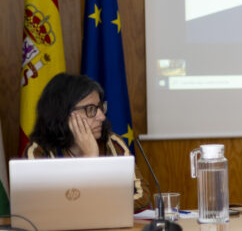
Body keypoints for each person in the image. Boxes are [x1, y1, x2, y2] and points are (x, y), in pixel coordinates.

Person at [22, 73, 150, 211]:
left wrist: (96, 206)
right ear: (63, 113)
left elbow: (141, 196)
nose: (101, 116)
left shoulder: (111, 142)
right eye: (90, 109)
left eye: (100, 107)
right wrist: (90, 159)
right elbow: (39, 206)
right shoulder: (37, 152)